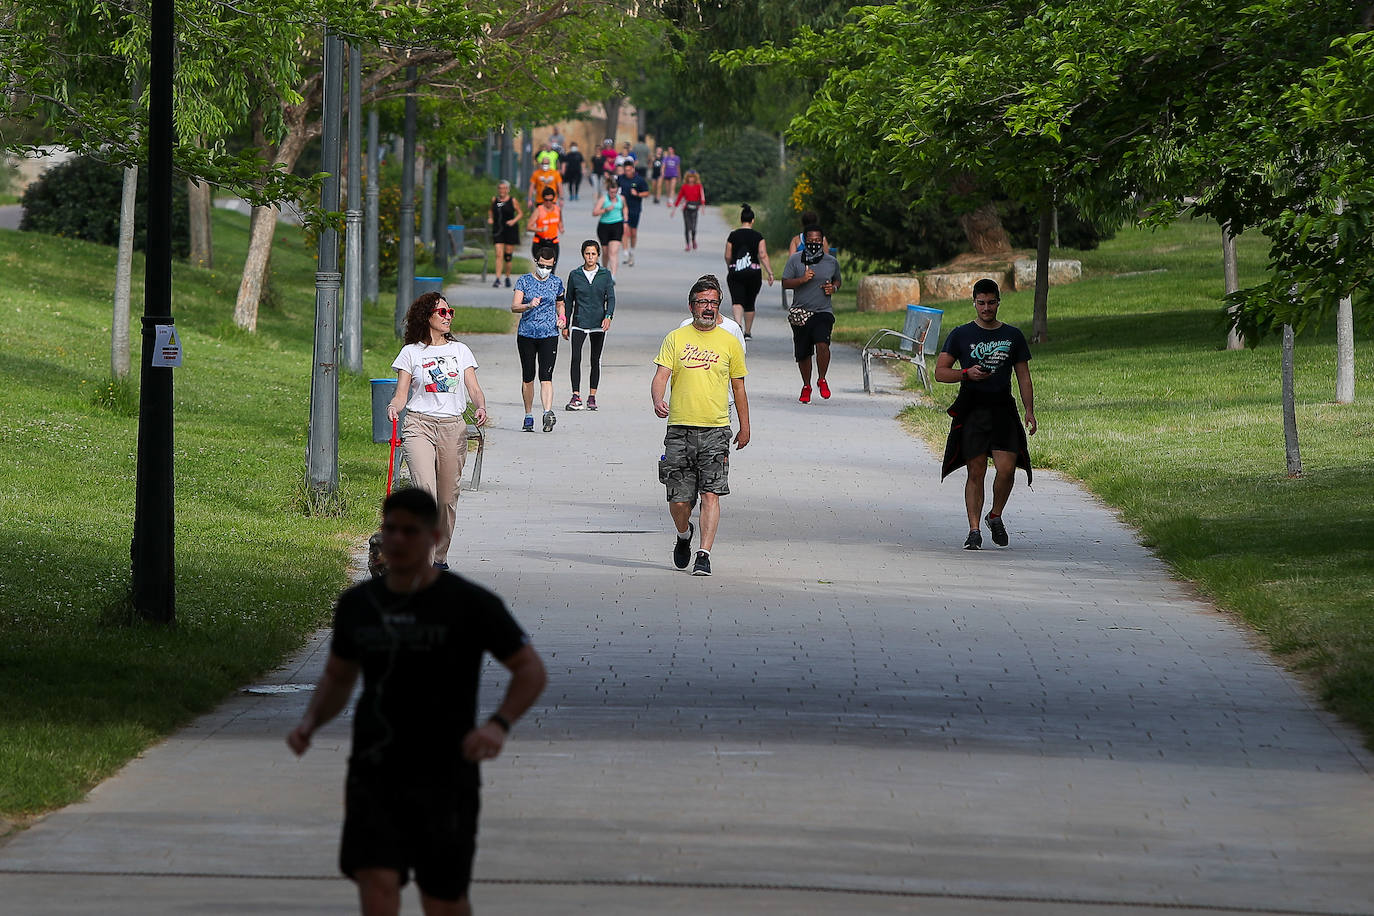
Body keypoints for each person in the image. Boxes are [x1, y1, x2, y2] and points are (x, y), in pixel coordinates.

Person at [286, 486, 547, 916]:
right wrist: (310, 721)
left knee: (442, 900)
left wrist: (498, 724)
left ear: (434, 535)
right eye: (391, 529)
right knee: (377, 884)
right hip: (374, 768)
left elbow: (530, 669)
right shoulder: (358, 605)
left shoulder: (468, 603)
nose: (398, 540)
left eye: (411, 531)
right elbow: (338, 676)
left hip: (446, 773)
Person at [651, 275, 750, 577]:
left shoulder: (730, 341)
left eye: (714, 303)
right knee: (679, 499)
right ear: (692, 305)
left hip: (716, 429)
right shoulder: (676, 338)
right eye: (703, 302)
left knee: (711, 494)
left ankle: (704, 554)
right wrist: (657, 399)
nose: (709, 308)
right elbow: (660, 376)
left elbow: (739, 387)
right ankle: (684, 535)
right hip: (679, 428)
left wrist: (745, 427)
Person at [385, 293, 490, 569]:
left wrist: (480, 406)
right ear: (427, 317)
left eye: (450, 312)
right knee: (425, 495)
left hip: (452, 427)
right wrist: (394, 407)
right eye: (442, 312)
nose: (448, 317)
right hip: (419, 425)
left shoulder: (460, 350)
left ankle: (439, 556)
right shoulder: (411, 352)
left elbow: (474, 388)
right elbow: (401, 394)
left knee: (446, 499)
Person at [934, 278, 1035, 550]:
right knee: (975, 470)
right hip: (973, 408)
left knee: (1006, 470)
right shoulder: (961, 334)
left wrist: (1029, 410)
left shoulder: (1013, 336)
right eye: (981, 303)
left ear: (998, 302)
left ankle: (995, 515)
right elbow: (940, 372)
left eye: (991, 303)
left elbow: (1023, 376)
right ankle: (974, 530)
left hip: (1003, 407)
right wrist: (965, 373)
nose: (986, 308)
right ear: (974, 303)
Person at [781, 225, 842, 403]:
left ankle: (822, 379)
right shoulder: (795, 260)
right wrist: (802, 279)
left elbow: (837, 279)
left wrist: (834, 288)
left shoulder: (831, 262)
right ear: (804, 241)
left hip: (823, 311)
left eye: (817, 241)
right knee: (803, 352)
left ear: (822, 241)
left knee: (822, 343)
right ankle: (806, 385)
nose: (814, 244)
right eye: (810, 241)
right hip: (801, 313)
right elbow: (785, 283)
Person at [511, 246, 565, 433]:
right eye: (542, 265)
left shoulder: (557, 282)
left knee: (546, 376)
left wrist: (562, 318)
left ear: (553, 265)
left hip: (549, 334)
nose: (545, 270)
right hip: (527, 334)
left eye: (549, 267)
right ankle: (528, 415)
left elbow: (560, 304)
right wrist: (528, 305)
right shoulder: (524, 281)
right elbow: (514, 306)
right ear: (536, 262)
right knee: (528, 376)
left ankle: (547, 413)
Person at [563, 239, 615, 411]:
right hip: (579, 321)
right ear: (583, 255)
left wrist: (608, 316)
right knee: (576, 358)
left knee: (595, 359)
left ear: (598, 255)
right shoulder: (575, 275)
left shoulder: (605, 275)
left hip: (598, 323)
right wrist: (565, 323)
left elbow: (611, 298)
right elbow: (569, 300)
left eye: (593, 254)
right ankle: (575, 395)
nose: (590, 257)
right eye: (587, 253)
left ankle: (592, 396)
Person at [724, 204, 774, 339]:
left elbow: (728, 255)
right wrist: (770, 272)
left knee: (737, 300)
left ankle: (738, 325)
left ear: (741, 220)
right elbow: (762, 255)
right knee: (750, 302)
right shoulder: (758, 236)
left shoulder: (733, 236)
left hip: (735, 272)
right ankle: (748, 332)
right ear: (753, 220)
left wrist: (731, 266)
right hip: (753, 273)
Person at [486, 180, 523, 289]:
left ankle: (507, 276)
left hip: (510, 229)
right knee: (498, 254)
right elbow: (491, 211)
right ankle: (497, 279)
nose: (502, 191)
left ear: (508, 189)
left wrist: (513, 221)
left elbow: (520, 213)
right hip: (498, 229)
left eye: (504, 188)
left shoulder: (513, 200)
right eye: (500, 188)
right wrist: (490, 218)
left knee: (507, 256)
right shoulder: (495, 200)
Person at [616, 160, 650, 267]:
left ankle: (632, 251)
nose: (627, 172)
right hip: (622, 208)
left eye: (629, 170)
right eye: (625, 170)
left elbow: (647, 193)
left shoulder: (639, 180)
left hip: (635, 208)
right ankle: (625, 252)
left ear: (633, 169)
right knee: (624, 230)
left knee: (633, 232)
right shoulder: (620, 178)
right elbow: (615, 189)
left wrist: (638, 194)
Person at [592, 177, 627, 278]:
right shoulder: (603, 199)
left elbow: (625, 207)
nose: (613, 194)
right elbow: (594, 212)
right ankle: (605, 270)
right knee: (606, 252)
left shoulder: (621, 198)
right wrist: (605, 210)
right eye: (611, 192)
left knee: (613, 251)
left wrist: (625, 217)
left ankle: (613, 275)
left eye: (615, 192)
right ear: (608, 191)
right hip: (604, 226)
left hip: (617, 225)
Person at [669, 170, 706, 251]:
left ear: (695, 178)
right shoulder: (684, 187)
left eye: (692, 177)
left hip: (695, 207)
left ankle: (693, 239)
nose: (691, 179)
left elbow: (702, 197)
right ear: (687, 178)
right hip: (686, 208)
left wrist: (703, 207)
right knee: (687, 227)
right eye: (689, 177)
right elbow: (679, 197)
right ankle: (687, 244)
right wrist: (674, 210)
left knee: (693, 227)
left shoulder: (699, 186)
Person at [526, 187, 563, 266]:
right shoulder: (539, 210)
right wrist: (540, 229)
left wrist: (561, 228)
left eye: (551, 200)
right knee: (542, 268)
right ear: (543, 199)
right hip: (540, 243)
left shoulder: (557, 209)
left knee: (552, 269)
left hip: (553, 243)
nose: (548, 202)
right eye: (546, 200)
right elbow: (529, 227)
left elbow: (560, 222)